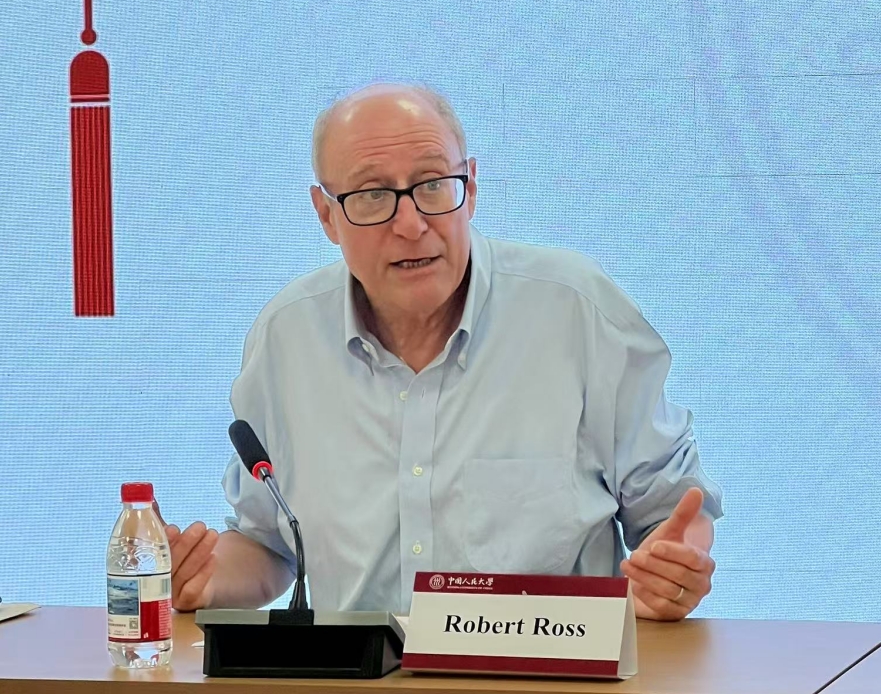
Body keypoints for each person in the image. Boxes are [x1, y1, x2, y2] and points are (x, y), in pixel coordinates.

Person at [165, 82, 724, 622]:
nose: (411, 225)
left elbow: (674, 513)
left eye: (433, 185)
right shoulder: (286, 337)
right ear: (327, 214)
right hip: (353, 675)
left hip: (545, 672)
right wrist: (204, 579)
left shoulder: (577, 312)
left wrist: (676, 567)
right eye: (372, 195)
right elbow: (269, 544)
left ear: (471, 186)